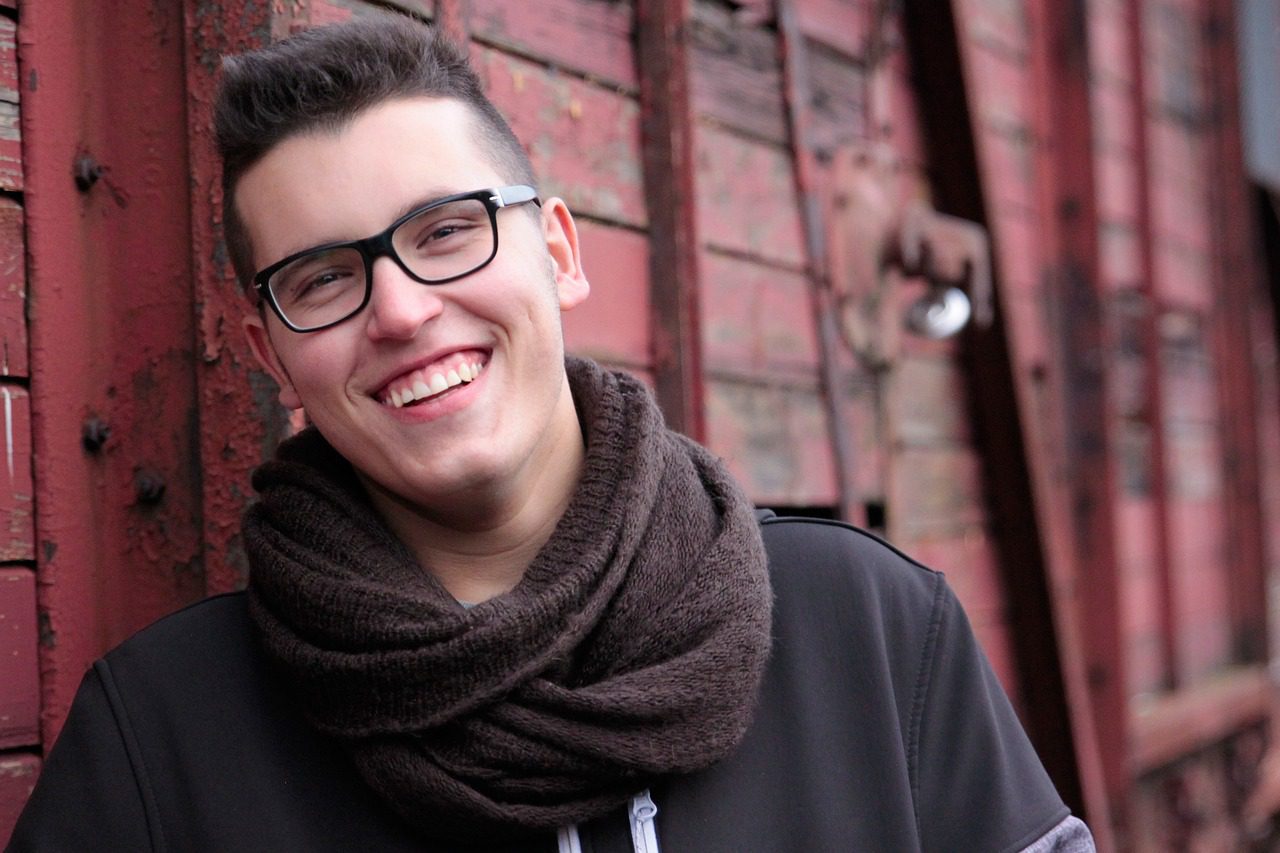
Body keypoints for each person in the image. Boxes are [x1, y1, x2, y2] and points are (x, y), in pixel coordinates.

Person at [7, 15, 1094, 853]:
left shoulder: (864, 631)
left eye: (446, 231)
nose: (398, 310)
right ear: (267, 350)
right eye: (323, 278)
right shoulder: (160, 737)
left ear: (558, 251)